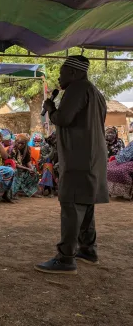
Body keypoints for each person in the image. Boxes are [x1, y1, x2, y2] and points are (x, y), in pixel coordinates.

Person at [36, 55, 108, 275]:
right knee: (85, 204)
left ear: (75, 73)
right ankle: (88, 250)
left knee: (70, 205)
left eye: (63, 71)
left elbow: (64, 118)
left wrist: (51, 108)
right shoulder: (96, 93)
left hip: (79, 158)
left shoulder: (76, 88)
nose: (59, 76)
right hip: (93, 157)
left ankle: (66, 258)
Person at [9, 134, 40, 198]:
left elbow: (28, 161)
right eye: (18, 143)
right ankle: (14, 192)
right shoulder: (12, 150)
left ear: (25, 144)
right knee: (18, 171)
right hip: (13, 167)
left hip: (23, 167)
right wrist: (27, 169)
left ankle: (30, 192)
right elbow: (15, 164)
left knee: (34, 171)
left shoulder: (26, 149)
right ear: (16, 142)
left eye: (22, 143)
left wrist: (31, 168)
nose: (20, 145)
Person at [38, 132, 59, 196]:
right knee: (48, 167)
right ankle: (50, 189)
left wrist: (58, 164)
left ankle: (54, 188)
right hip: (45, 164)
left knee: (54, 167)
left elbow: (64, 159)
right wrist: (52, 148)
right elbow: (46, 158)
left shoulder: (61, 146)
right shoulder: (45, 147)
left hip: (58, 165)